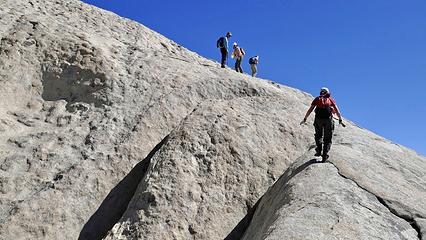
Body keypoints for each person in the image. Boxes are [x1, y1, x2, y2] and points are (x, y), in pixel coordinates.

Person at [301, 87, 344, 161]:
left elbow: (310, 109)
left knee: (318, 135)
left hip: (318, 119)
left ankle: (319, 150)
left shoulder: (317, 99)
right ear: (328, 92)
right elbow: (337, 110)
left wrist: (305, 118)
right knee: (328, 138)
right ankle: (324, 155)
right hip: (328, 120)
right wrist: (340, 119)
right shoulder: (330, 99)